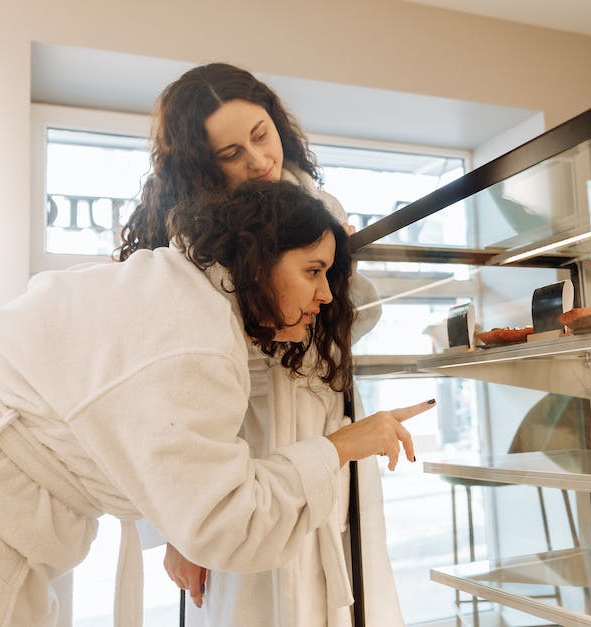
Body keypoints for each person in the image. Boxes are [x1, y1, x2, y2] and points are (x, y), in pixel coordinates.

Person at [0, 181, 431, 627]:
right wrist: (343, 445)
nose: (324, 296)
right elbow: (229, 525)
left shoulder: (169, 287)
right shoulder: (194, 340)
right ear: (262, 255)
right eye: (314, 271)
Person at [118, 63, 402, 626]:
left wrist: (338, 275)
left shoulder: (325, 211)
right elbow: (164, 393)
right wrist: (181, 527)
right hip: (239, 444)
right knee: (245, 601)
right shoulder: (186, 241)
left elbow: (345, 326)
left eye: (261, 134)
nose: (258, 160)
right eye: (230, 154)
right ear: (201, 165)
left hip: (325, 432)